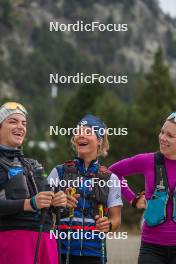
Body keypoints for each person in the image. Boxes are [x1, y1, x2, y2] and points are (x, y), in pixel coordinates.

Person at [48, 114, 122, 264]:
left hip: (94, 254)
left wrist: (108, 225)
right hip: (61, 251)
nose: (81, 135)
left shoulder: (110, 179)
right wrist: (57, 203)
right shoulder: (58, 172)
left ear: (99, 141)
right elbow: (42, 211)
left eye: (88, 132)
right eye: (78, 132)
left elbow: (116, 219)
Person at [0, 102, 67, 264]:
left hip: (46, 239)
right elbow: (32, 203)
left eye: (24, 123)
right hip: (13, 240)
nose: (20, 127)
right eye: (13, 121)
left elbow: (49, 203)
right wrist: (28, 204)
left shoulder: (33, 164)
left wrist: (59, 203)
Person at [109, 112, 176, 264]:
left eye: (170, 136)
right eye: (162, 132)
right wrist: (133, 198)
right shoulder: (147, 161)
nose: (163, 138)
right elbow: (113, 172)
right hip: (152, 248)